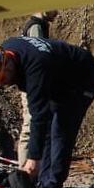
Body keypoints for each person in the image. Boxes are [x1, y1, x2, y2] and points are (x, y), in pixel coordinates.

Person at [0, 36, 94, 188]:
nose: (5, 84)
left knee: (61, 128)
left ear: (6, 64)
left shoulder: (35, 69)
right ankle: (42, 182)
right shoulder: (8, 48)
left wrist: (33, 158)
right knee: (49, 130)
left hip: (83, 77)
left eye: (4, 79)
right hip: (58, 80)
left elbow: (39, 116)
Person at [17, 10, 59, 165]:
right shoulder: (36, 27)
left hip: (31, 85)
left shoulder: (37, 25)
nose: (57, 12)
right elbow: (39, 58)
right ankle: (25, 171)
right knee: (31, 126)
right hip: (32, 86)